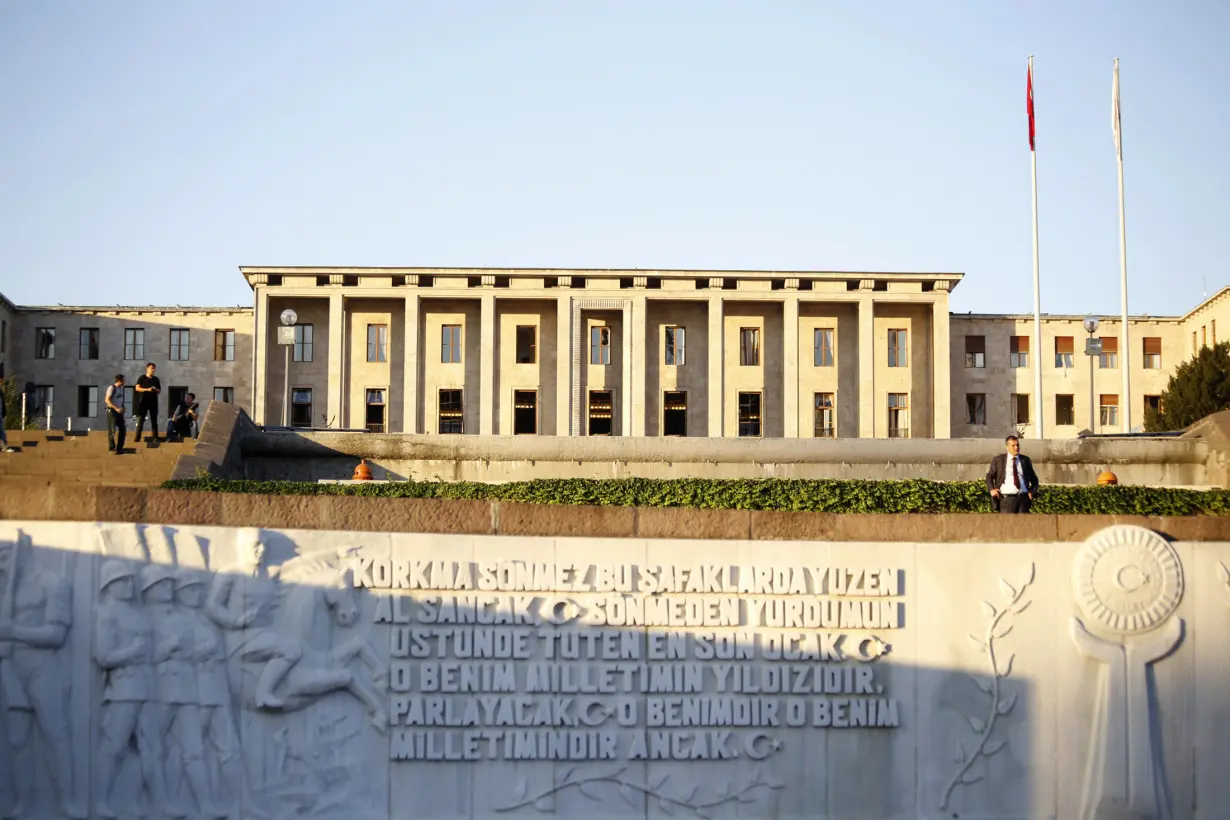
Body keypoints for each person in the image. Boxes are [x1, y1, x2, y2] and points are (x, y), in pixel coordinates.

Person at [986, 434, 1040, 513]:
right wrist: (992, 489)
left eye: (1017, 445)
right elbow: (989, 476)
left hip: (1023, 499)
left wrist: (1032, 491)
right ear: (1007, 447)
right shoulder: (999, 460)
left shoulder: (1025, 460)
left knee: (1024, 524)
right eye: (1013, 445)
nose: (1016, 447)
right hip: (1007, 500)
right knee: (1007, 524)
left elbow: (1034, 479)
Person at [133, 362, 162, 444]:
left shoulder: (156, 379)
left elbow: (159, 390)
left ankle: (155, 437)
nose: (153, 370)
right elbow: (137, 388)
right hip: (144, 402)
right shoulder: (142, 378)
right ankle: (137, 438)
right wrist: (147, 389)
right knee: (141, 419)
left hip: (153, 402)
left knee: (154, 420)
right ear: (147, 368)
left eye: (154, 368)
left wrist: (155, 389)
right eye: (152, 368)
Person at [104, 375, 127, 454]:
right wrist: (116, 408)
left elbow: (120, 400)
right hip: (112, 412)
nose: (125, 382)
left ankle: (120, 448)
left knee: (123, 430)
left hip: (119, 412)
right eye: (124, 380)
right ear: (120, 381)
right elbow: (107, 400)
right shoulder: (111, 388)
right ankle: (112, 448)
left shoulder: (121, 389)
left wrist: (123, 407)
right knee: (112, 430)